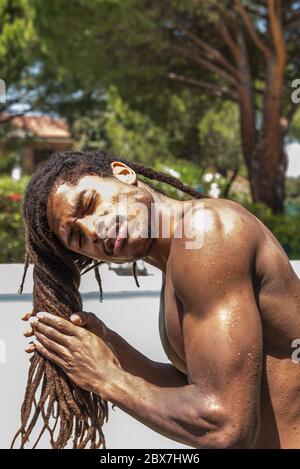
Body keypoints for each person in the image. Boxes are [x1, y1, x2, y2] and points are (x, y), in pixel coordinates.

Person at [21, 150, 300, 449]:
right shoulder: (178, 261)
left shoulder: (205, 233)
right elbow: (206, 389)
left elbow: (226, 425)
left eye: (90, 203)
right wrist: (111, 348)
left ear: (123, 173)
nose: (93, 229)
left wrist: (106, 378)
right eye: (77, 238)